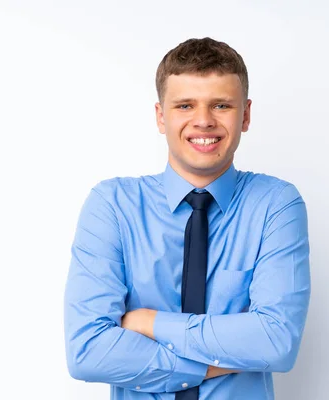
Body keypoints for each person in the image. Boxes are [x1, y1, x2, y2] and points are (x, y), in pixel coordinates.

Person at [64, 37, 311, 400]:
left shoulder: (275, 205)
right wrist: (216, 360)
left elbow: (276, 342)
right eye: (184, 105)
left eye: (221, 105)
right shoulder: (113, 205)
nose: (203, 121)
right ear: (161, 117)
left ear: (245, 115)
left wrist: (150, 322)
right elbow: (87, 352)